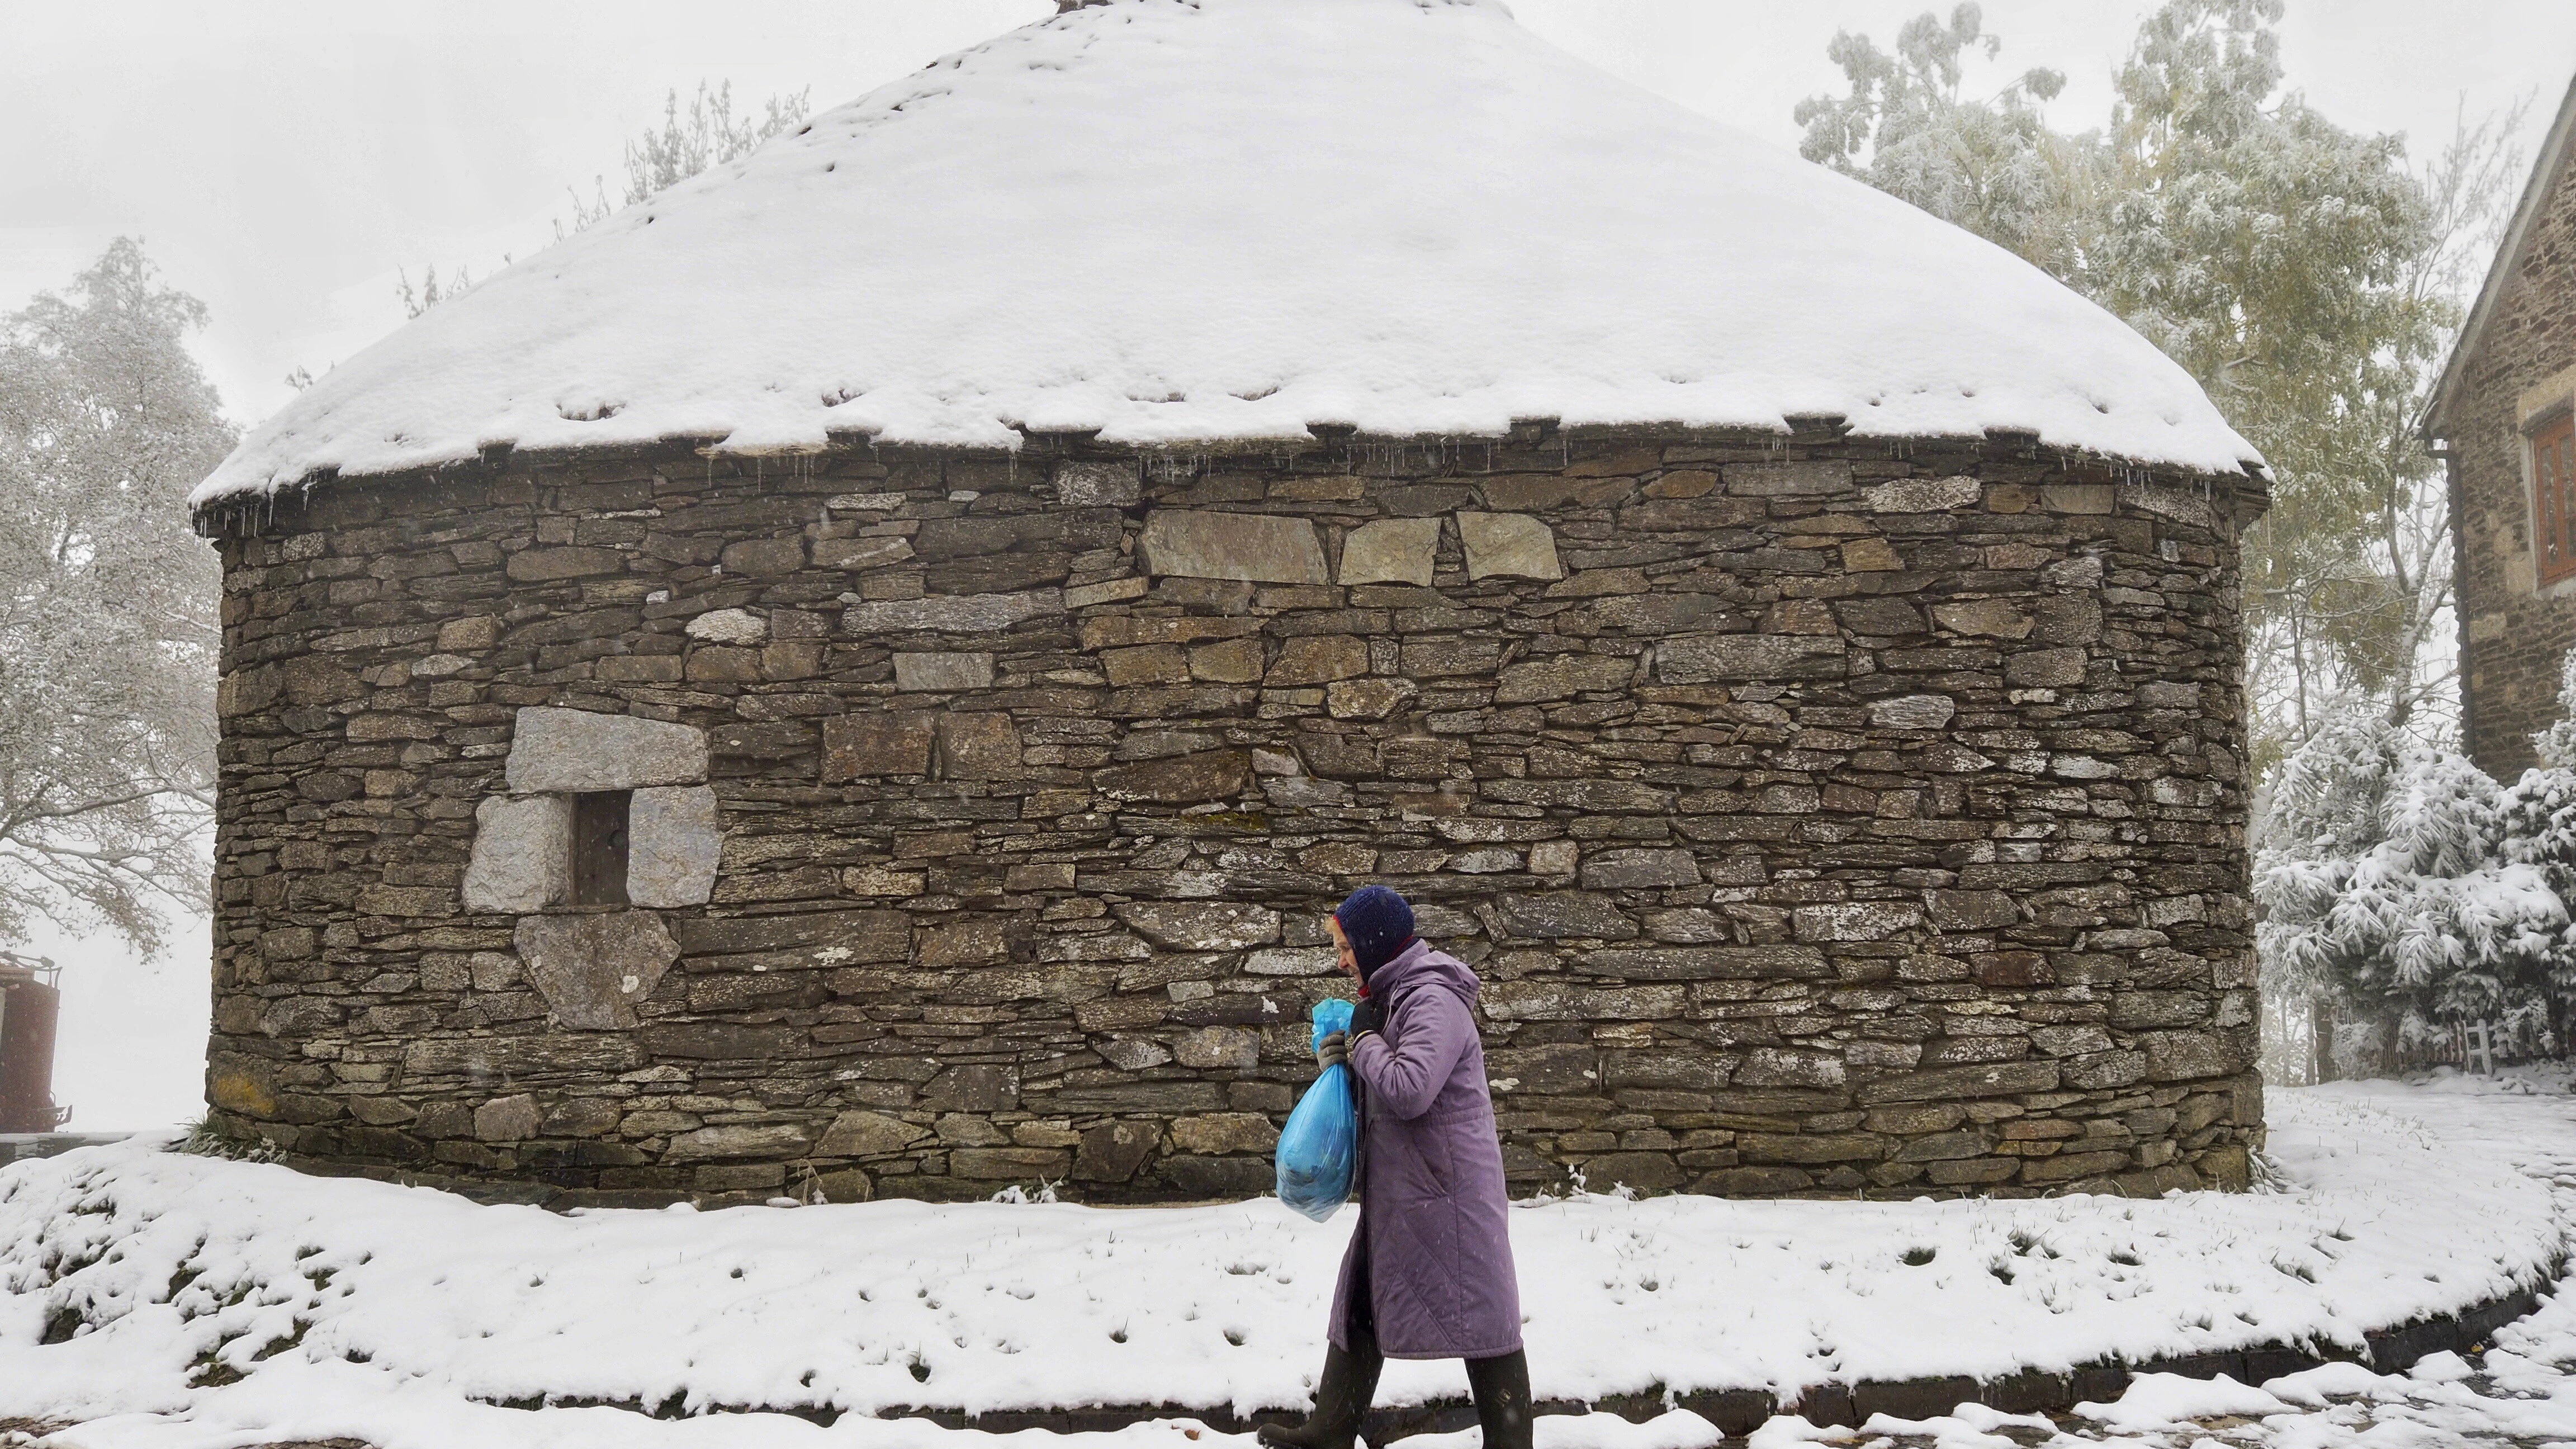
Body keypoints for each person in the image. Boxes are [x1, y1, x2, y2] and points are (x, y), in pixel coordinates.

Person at [1261, 885, 1530, 1449]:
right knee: (1362, 1298)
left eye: (1345, 946)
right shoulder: (1394, 996)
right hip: (1411, 1191)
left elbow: (1410, 1089)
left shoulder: (1433, 998)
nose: (1340, 960)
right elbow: (1388, 1090)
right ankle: (1330, 1431)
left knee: (1484, 1320)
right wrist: (1341, 1064)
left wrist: (1361, 1042)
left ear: (1373, 942)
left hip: (1449, 1195)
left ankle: (1511, 1443)